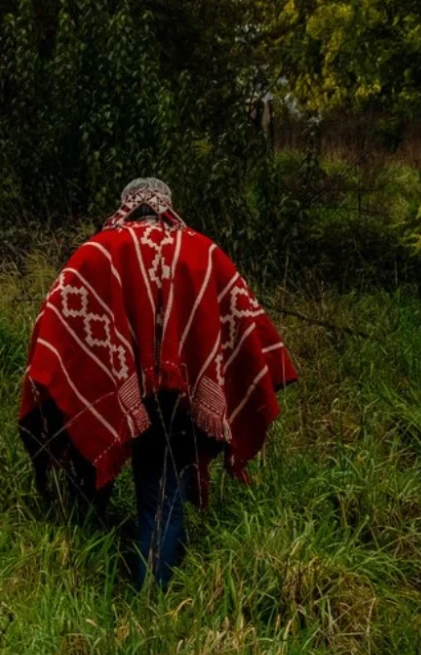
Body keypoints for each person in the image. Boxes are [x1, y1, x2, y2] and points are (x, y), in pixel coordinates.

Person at [19, 179, 297, 588]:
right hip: (178, 400)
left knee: (91, 476)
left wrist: (83, 373)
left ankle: (75, 581)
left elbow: (52, 325)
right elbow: (246, 322)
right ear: (166, 205)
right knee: (162, 498)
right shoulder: (204, 252)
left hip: (108, 393)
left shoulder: (97, 251)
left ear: (126, 206)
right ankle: (151, 600)